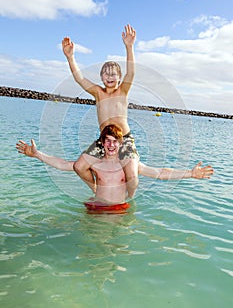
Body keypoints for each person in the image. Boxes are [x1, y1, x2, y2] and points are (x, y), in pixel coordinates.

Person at [16, 124, 214, 206]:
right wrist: (37, 154)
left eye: (115, 141)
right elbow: (64, 165)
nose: (111, 144)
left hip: (120, 211)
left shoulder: (128, 165)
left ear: (120, 144)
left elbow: (161, 172)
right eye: (107, 140)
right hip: (95, 207)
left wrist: (191, 173)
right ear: (102, 143)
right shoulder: (95, 163)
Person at [62, 24, 139, 198]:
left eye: (114, 74)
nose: (110, 77)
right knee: (79, 166)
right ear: (101, 77)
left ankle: (129, 196)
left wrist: (129, 47)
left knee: (133, 178)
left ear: (119, 78)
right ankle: (97, 189)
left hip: (124, 139)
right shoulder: (98, 92)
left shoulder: (123, 91)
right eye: (106, 74)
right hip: (105, 140)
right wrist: (70, 57)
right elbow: (79, 78)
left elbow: (131, 73)